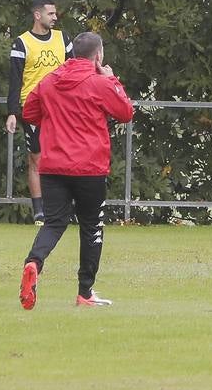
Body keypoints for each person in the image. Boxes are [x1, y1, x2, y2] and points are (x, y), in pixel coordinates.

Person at [18, 31, 134, 310]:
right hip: (89, 167)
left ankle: (34, 262)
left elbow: (29, 112)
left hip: (53, 166)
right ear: (99, 55)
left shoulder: (50, 81)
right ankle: (85, 291)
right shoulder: (99, 83)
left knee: (54, 223)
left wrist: (57, 117)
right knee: (92, 226)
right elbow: (126, 112)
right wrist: (111, 79)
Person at [6, 0, 73, 223]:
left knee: (63, 157)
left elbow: (75, 70)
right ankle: (39, 210)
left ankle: (61, 206)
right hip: (33, 107)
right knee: (37, 158)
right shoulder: (22, 42)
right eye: (51, 14)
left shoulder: (62, 38)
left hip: (61, 108)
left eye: (55, 13)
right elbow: (15, 80)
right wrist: (12, 112)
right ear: (38, 15)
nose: (55, 17)